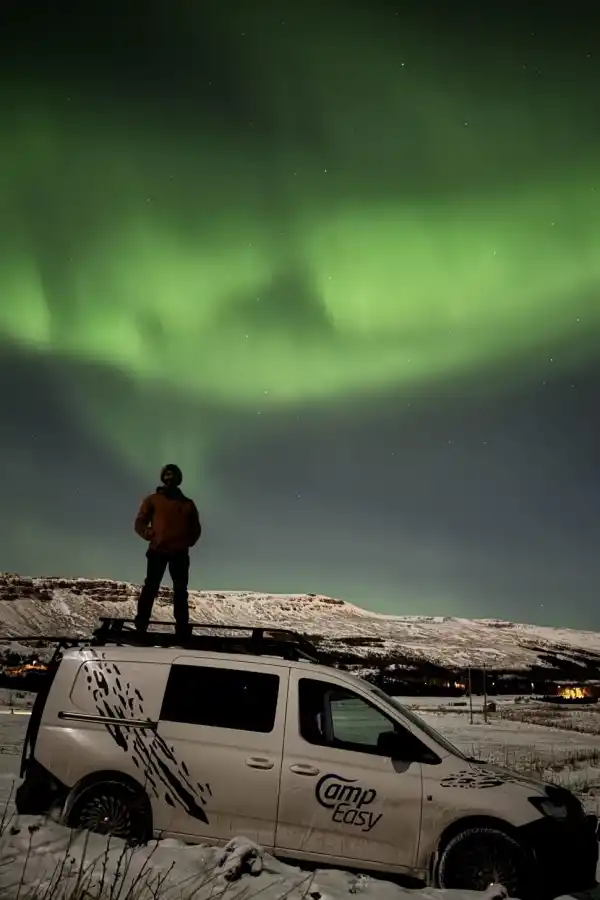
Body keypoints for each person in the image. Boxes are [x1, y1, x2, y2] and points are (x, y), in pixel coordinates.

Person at [134, 464, 202, 637]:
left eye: (173, 475)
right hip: (158, 550)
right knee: (151, 587)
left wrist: (188, 541)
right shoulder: (153, 500)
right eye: (167, 474)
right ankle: (141, 624)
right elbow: (140, 522)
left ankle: (181, 627)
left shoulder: (187, 504)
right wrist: (149, 534)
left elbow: (196, 528)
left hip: (179, 553)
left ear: (178, 479)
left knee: (180, 590)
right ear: (163, 478)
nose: (170, 478)